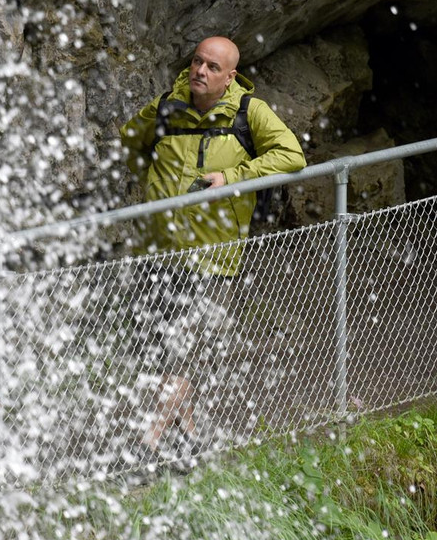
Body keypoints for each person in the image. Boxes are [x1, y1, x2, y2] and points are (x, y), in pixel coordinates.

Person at [118, 36, 306, 468]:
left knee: (180, 350)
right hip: (158, 250)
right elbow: (131, 141)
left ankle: (146, 444)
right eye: (197, 62)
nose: (201, 71)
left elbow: (292, 156)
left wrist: (235, 176)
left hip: (211, 257)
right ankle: (189, 440)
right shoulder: (168, 104)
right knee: (156, 350)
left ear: (230, 76)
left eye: (212, 67)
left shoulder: (247, 113)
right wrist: (154, 179)